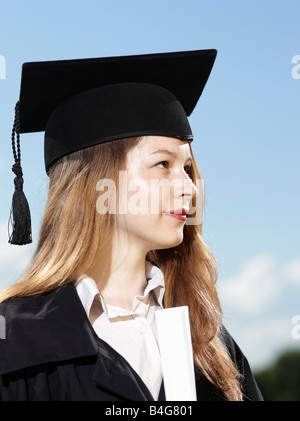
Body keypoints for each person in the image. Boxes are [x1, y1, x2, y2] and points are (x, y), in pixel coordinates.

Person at [0, 50, 263, 401]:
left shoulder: (209, 342)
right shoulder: (15, 339)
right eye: (163, 165)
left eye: (186, 168)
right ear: (97, 184)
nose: (189, 187)